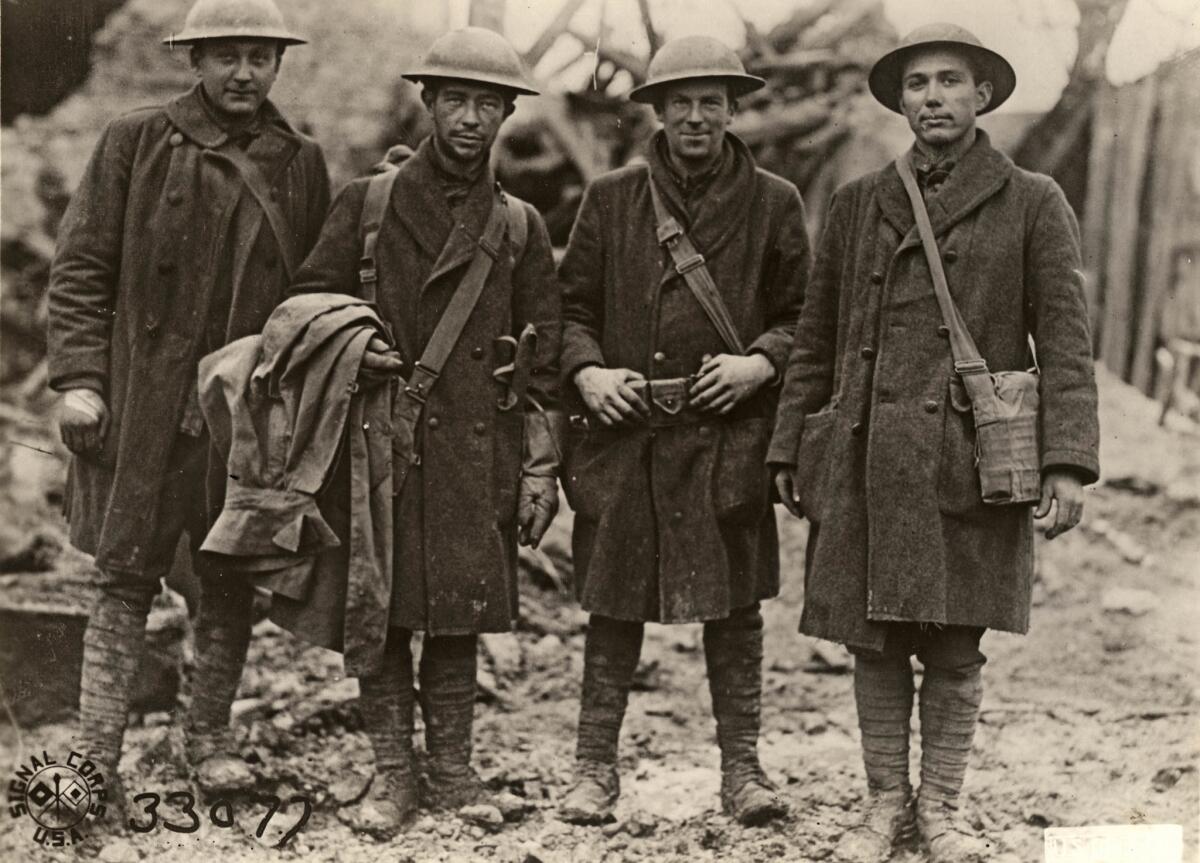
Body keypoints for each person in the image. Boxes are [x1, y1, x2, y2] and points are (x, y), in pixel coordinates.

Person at [768, 23, 1100, 862]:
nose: (933, 99)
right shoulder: (855, 203)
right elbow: (815, 338)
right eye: (918, 85)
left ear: (983, 95)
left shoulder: (1032, 200)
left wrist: (1066, 460)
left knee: (956, 639)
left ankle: (942, 809)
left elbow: (1063, 340)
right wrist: (789, 448)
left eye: (951, 82)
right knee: (871, 636)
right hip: (866, 454)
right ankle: (885, 805)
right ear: (901, 101)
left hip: (969, 460)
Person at [46, 0, 329, 835]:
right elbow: (82, 266)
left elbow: (314, 288)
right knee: (123, 571)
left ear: (278, 64)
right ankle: (96, 753)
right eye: (226, 56)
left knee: (231, 573)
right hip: (139, 401)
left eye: (259, 56)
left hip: (242, 414)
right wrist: (79, 379)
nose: (244, 72)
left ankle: (205, 735)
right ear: (193, 61)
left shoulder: (300, 160)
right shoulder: (136, 140)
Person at [283, 27, 561, 837]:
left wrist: (540, 472)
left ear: (506, 113)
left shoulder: (519, 226)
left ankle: (452, 772)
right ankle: (394, 773)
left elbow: (541, 365)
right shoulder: (366, 205)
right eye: (456, 101)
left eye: (487, 104)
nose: (470, 119)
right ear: (429, 103)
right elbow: (303, 305)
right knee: (380, 611)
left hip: (479, 454)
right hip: (379, 442)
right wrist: (352, 342)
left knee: (457, 612)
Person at [556, 35, 811, 827]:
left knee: (734, 610)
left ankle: (743, 772)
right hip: (628, 434)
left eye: (711, 102)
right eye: (680, 103)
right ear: (657, 111)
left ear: (733, 110)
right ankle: (593, 770)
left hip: (725, 435)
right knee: (613, 606)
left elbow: (806, 317)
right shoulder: (611, 198)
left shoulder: (775, 201)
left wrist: (762, 364)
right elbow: (570, 311)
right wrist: (588, 373)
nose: (695, 117)